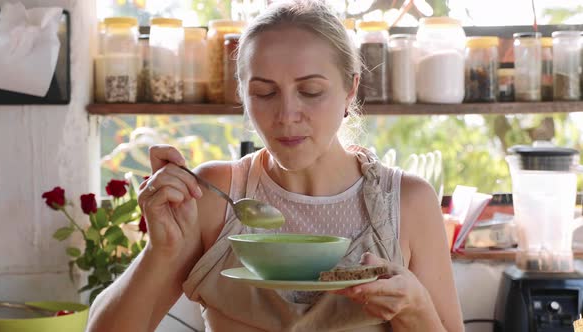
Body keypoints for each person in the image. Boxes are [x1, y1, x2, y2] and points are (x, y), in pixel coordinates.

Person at [87, 1, 463, 331]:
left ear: (350, 89)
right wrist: (161, 251)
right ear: (243, 94)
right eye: (264, 93)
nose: (286, 115)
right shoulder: (213, 196)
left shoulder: (408, 203)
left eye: (310, 91)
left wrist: (415, 307)